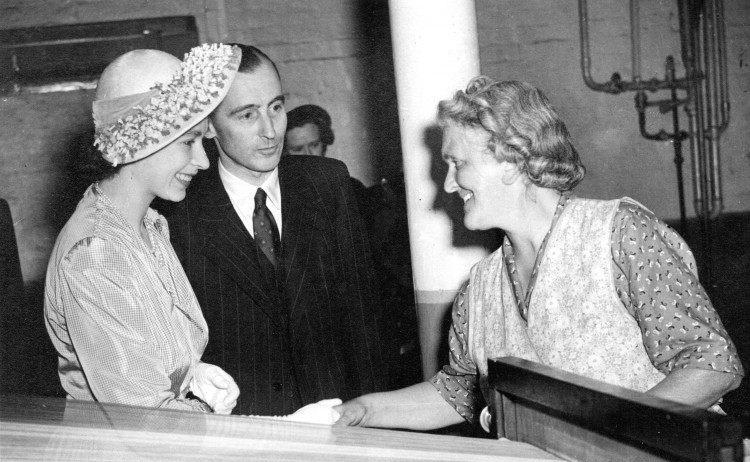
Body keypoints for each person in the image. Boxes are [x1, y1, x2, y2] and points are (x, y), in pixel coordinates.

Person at [334, 77, 744, 431]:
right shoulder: (479, 288)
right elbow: (456, 392)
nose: (448, 185)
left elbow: (712, 364)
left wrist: (603, 433)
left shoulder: (620, 234)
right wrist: (362, 410)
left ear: (511, 160)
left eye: (457, 163)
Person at [163, 44, 387, 416]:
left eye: (276, 107)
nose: (270, 131)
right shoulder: (177, 213)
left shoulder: (328, 183)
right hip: (242, 434)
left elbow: (364, 321)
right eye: (247, 115)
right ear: (209, 126)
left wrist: (375, 424)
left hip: (337, 420)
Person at [44, 44, 242, 415]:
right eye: (189, 142)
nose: (201, 161)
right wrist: (277, 428)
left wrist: (189, 375)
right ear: (138, 140)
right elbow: (147, 420)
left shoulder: (149, 226)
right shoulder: (94, 253)